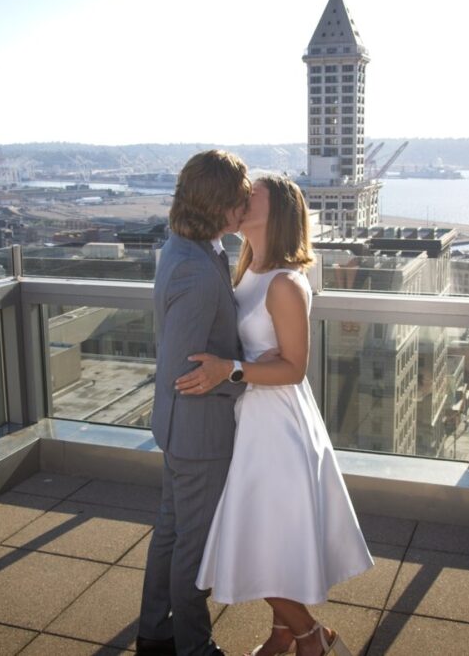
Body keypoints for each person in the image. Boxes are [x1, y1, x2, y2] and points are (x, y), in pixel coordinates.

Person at [178, 176, 373, 656]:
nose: (240, 201)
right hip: (254, 418)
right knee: (269, 534)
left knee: (256, 539)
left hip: (276, 424)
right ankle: (283, 633)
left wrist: (231, 369)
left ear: (279, 211)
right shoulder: (246, 269)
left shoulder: (285, 282)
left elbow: (293, 367)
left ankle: (313, 638)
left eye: (252, 196)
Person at [137, 149, 252, 656]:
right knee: (193, 545)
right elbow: (190, 370)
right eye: (239, 199)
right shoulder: (199, 270)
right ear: (219, 205)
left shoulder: (189, 248)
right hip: (199, 433)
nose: (245, 205)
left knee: (171, 529)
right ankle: (194, 647)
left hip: (180, 427)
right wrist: (246, 378)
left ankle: (154, 630)